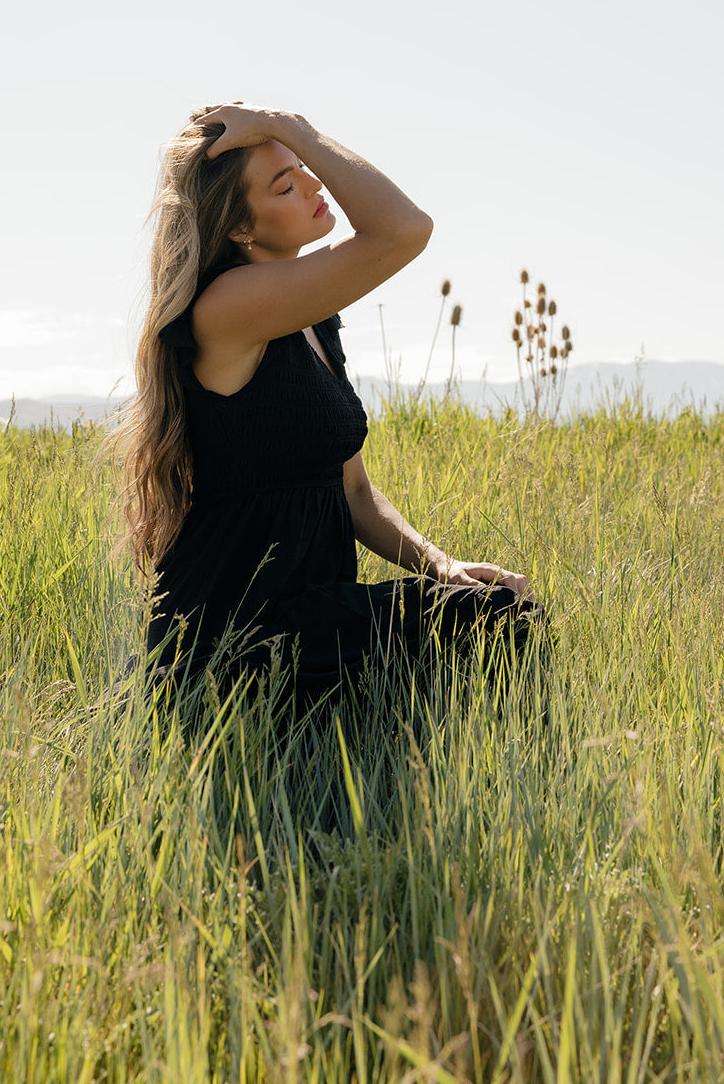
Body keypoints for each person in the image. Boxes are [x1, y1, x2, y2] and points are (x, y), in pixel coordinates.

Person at [114, 102, 547, 704]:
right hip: (238, 636)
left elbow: (354, 493)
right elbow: (403, 230)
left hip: (312, 613)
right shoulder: (228, 309)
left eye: (303, 166)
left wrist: (443, 566)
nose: (316, 184)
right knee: (499, 622)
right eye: (286, 183)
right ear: (241, 228)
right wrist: (295, 129)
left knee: (500, 612)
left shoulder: (314, 321)